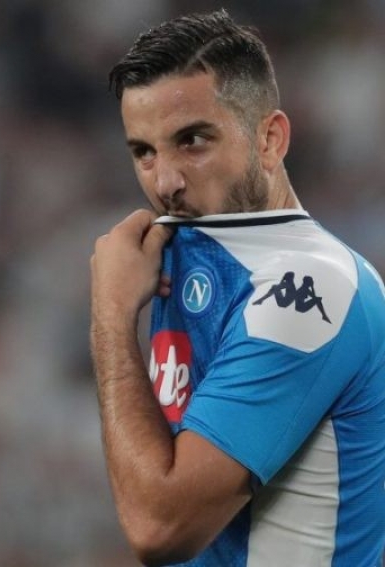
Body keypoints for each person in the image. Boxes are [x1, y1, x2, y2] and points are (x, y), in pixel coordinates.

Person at [90, 9, 385, 567]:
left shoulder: (309, 286)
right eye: (144, 152)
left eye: (192, 141)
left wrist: (110, 317)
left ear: (270, 139)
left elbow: (160, 527)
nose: (166, 182)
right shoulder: (185, 260)